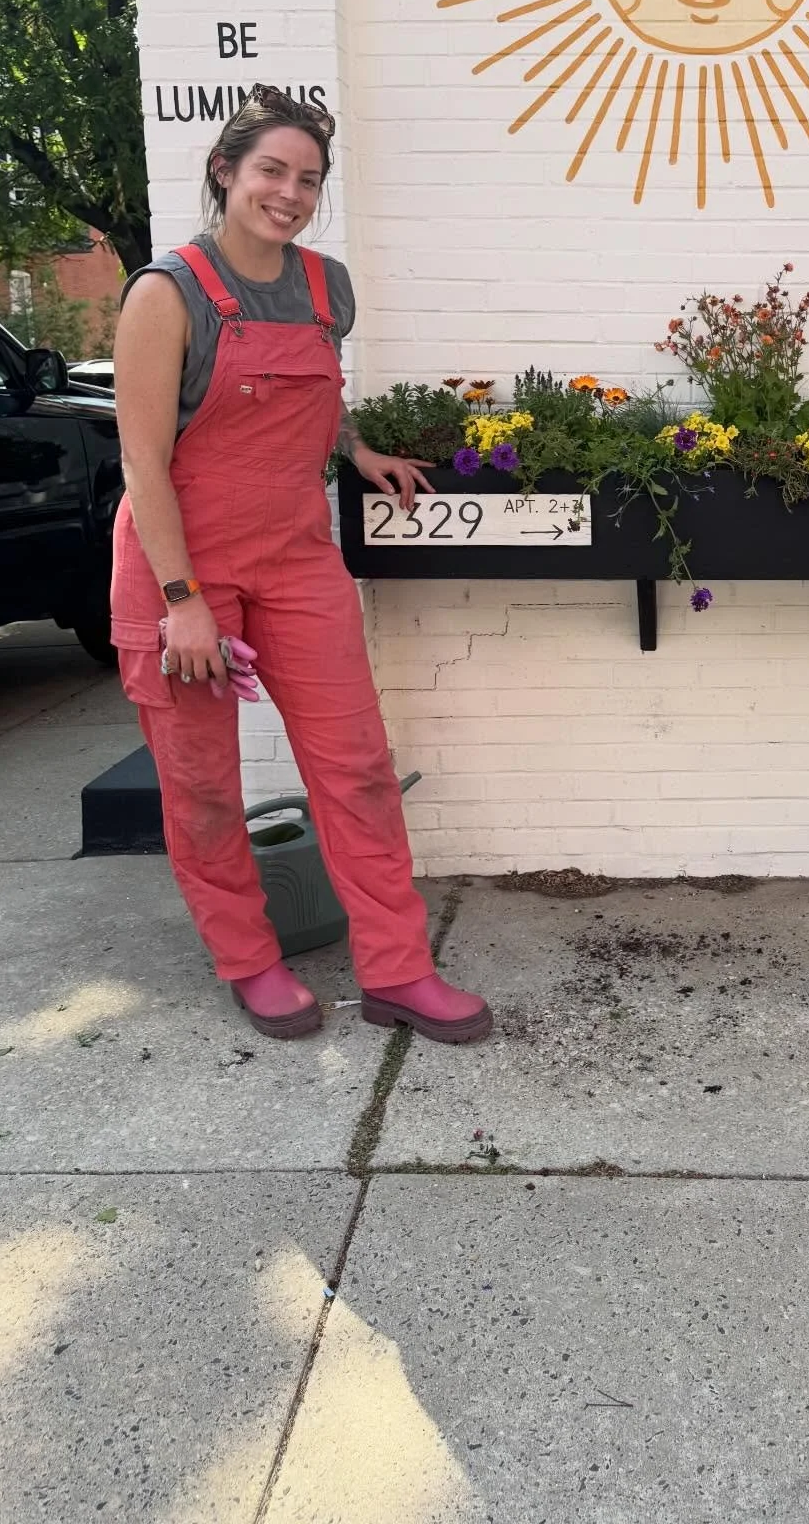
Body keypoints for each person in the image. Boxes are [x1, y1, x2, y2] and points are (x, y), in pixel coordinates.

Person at [111, 86, 491, 1044]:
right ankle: (248, 960)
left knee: (356, 767)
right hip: (180, 569)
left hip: (296, 559)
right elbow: (141, 460)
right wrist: (184, 602)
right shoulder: (168, 293)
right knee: (202, 785)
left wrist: (354, 450)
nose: (289, 193)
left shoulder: (328, 287)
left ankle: (399, 972)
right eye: (271, 171)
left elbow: (312, 397)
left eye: (307, 179)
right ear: (225, 173)